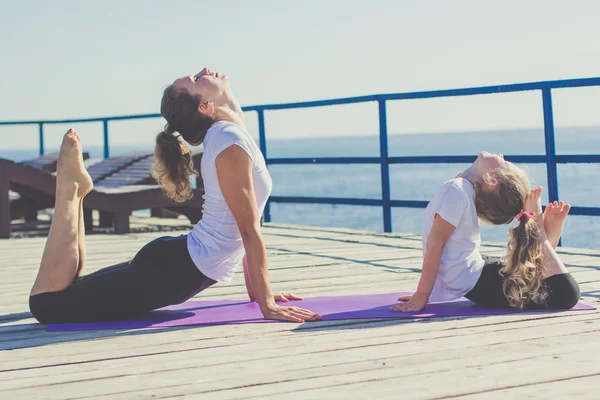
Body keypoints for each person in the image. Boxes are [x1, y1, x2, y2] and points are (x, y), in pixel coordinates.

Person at [29, 68, 320, 324]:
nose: (205, 70)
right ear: (206, 105)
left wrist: (259, 293)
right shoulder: (228, 141)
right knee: (48, 305)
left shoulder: (231, 133)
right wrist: (266, 303)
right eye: (196, 78)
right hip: (173, 271)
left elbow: (241, 225)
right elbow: (247, 229)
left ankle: (77, 192)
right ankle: (69, 190)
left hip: (176, 263)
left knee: (69, 293)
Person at [391, 152, 580, 312]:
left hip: (481, 279)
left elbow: (436, 243)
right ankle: (542, 239)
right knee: (553, 286)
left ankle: (540, 233)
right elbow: (438, 245)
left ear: (491, 180)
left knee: (560, 290)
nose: (502, 156)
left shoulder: (456, 190)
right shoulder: (459, 190)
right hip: (480, 279)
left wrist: (422, 295)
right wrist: (424, 293)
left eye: (504, 163)